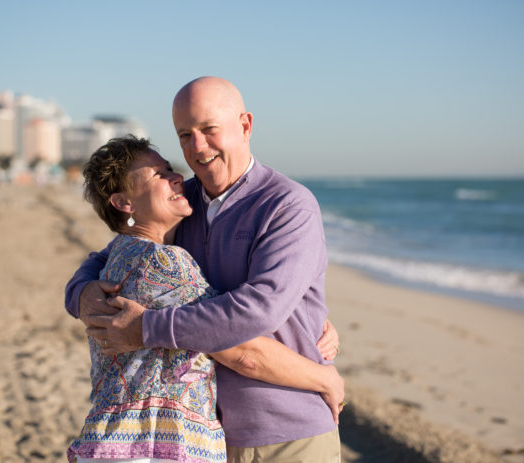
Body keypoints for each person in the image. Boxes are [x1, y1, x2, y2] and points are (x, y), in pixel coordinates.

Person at [66, 77, 342, 461]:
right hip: (204, 439)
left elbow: (258, 312)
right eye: (185, 134)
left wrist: (145, 328)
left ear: (245, 125)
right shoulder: (183, 203)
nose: (197, 147)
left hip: (287, 433)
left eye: (209, 129)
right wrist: (80, 292)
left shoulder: (287, 206)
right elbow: (119, 251)